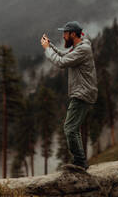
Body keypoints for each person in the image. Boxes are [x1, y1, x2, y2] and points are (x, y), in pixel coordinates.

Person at [40, 21, 98, 170]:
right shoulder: (79, 47)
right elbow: (63, 54)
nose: (64, 36)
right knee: (74, 128)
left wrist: (47, 50)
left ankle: (80, 162)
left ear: (73, 34)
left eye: (65, 33)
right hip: (83, 92)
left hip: (82, 93)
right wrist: (50, 46)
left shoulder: (82, 50)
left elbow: (61, 62)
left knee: (70, 129)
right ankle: (80, 161)